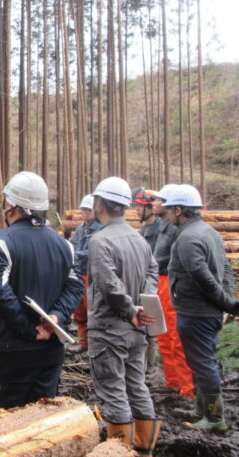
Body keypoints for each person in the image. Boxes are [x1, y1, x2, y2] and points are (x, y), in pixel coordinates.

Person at [0, 171, 83, 409]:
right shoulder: (64, 245)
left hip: (7, 353)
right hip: (49, 353)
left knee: (4, 422)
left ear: (12, 207)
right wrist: (57, 316)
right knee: (41, 422)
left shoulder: (1, 242)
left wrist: (29, 329)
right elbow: (75, 286)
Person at [86, 176, 160, 456]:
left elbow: (108, 285)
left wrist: (130, 310)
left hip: (109, 330)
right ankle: (144, 450)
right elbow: (153, 271)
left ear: (100, 203)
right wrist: (142, 305)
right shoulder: (138, 239)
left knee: (113, 392)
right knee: (137, 387)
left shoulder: (100, 240)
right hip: (136, 331)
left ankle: (121, 451)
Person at [164, 184, 239, 433]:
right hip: (204, 311)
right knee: (200, 361)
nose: (166, 214)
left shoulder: (188, 238)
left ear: (179, 209)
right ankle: (200, 409)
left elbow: (203, 278)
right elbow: (225, 271)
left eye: (169, 210)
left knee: (203, 363)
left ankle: (214, 417)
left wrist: (228, 303)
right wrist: (226, 298)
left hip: (196, 312)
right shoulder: (208, 231)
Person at [151, 184, 194, 398]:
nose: (154, 203)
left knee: (176, 336)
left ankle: (187, 388)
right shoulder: (163, 226)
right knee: (164, 335)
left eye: (159, 200)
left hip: (170, 282)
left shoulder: (177, 229)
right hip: (159, 281)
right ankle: (172, 381)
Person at [132, 187, 163, 375]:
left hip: (153, 284)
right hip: (141, 283)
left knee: (152, 330)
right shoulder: (144, 230)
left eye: (140, 206)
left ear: (150, 208)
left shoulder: (158, 231)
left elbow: (155, 262)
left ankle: (151, 369)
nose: (136, 210)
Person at [70, 194, 101, 351]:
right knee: (80, 311)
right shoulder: (81, 228)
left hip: (92, 275)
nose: (85, 213)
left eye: (88, 210)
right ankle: (83, 344)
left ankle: (94, 346)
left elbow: (91, 252)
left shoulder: (100, 230)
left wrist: (75, 254)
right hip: (78, 273)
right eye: (83, 210)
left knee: (92, 311)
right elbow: (73, 244)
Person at [132, 187, 160, 252]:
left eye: (141, 206)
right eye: (137, 205)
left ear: (151, 208)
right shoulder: (146, 228)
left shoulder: (157, 230)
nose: (137, 209)